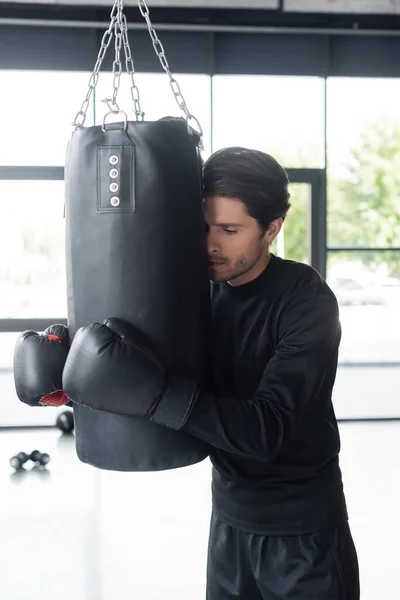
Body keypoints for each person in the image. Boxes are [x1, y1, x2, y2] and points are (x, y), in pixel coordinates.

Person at [60, 147, 360, 599]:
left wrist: (157, 395)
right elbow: (137, 370)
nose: (210, 245)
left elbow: (267, 430)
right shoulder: (195, 294)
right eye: (203, 227)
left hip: (303, 535)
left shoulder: (306, 301)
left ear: (272, 229)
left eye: (229, 230)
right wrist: (68, 374)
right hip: (228, 526)